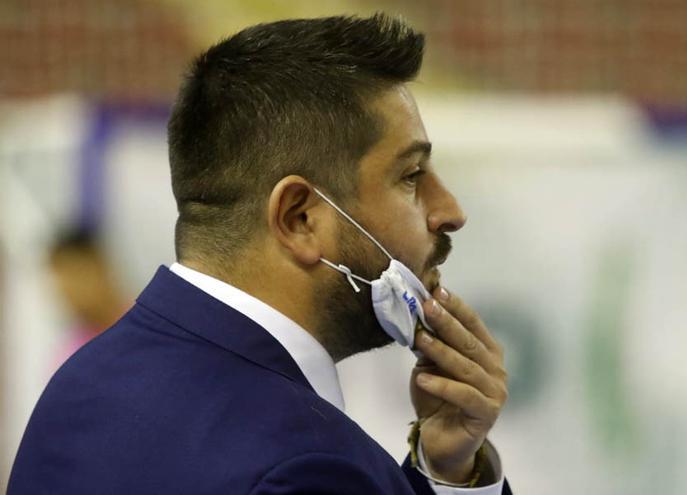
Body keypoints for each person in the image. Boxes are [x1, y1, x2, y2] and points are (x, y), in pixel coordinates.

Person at [9, 14, 512, 494]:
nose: (450, 211)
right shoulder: (308, 466)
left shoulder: (81, 385)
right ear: (299, 218)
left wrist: (448, 470)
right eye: (410, 176)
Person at [46, 228, 128, 369]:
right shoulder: (72, 355)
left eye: (76, 276)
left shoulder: (152, 319)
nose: (71, 294)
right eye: (63, 286)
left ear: (99, 266)